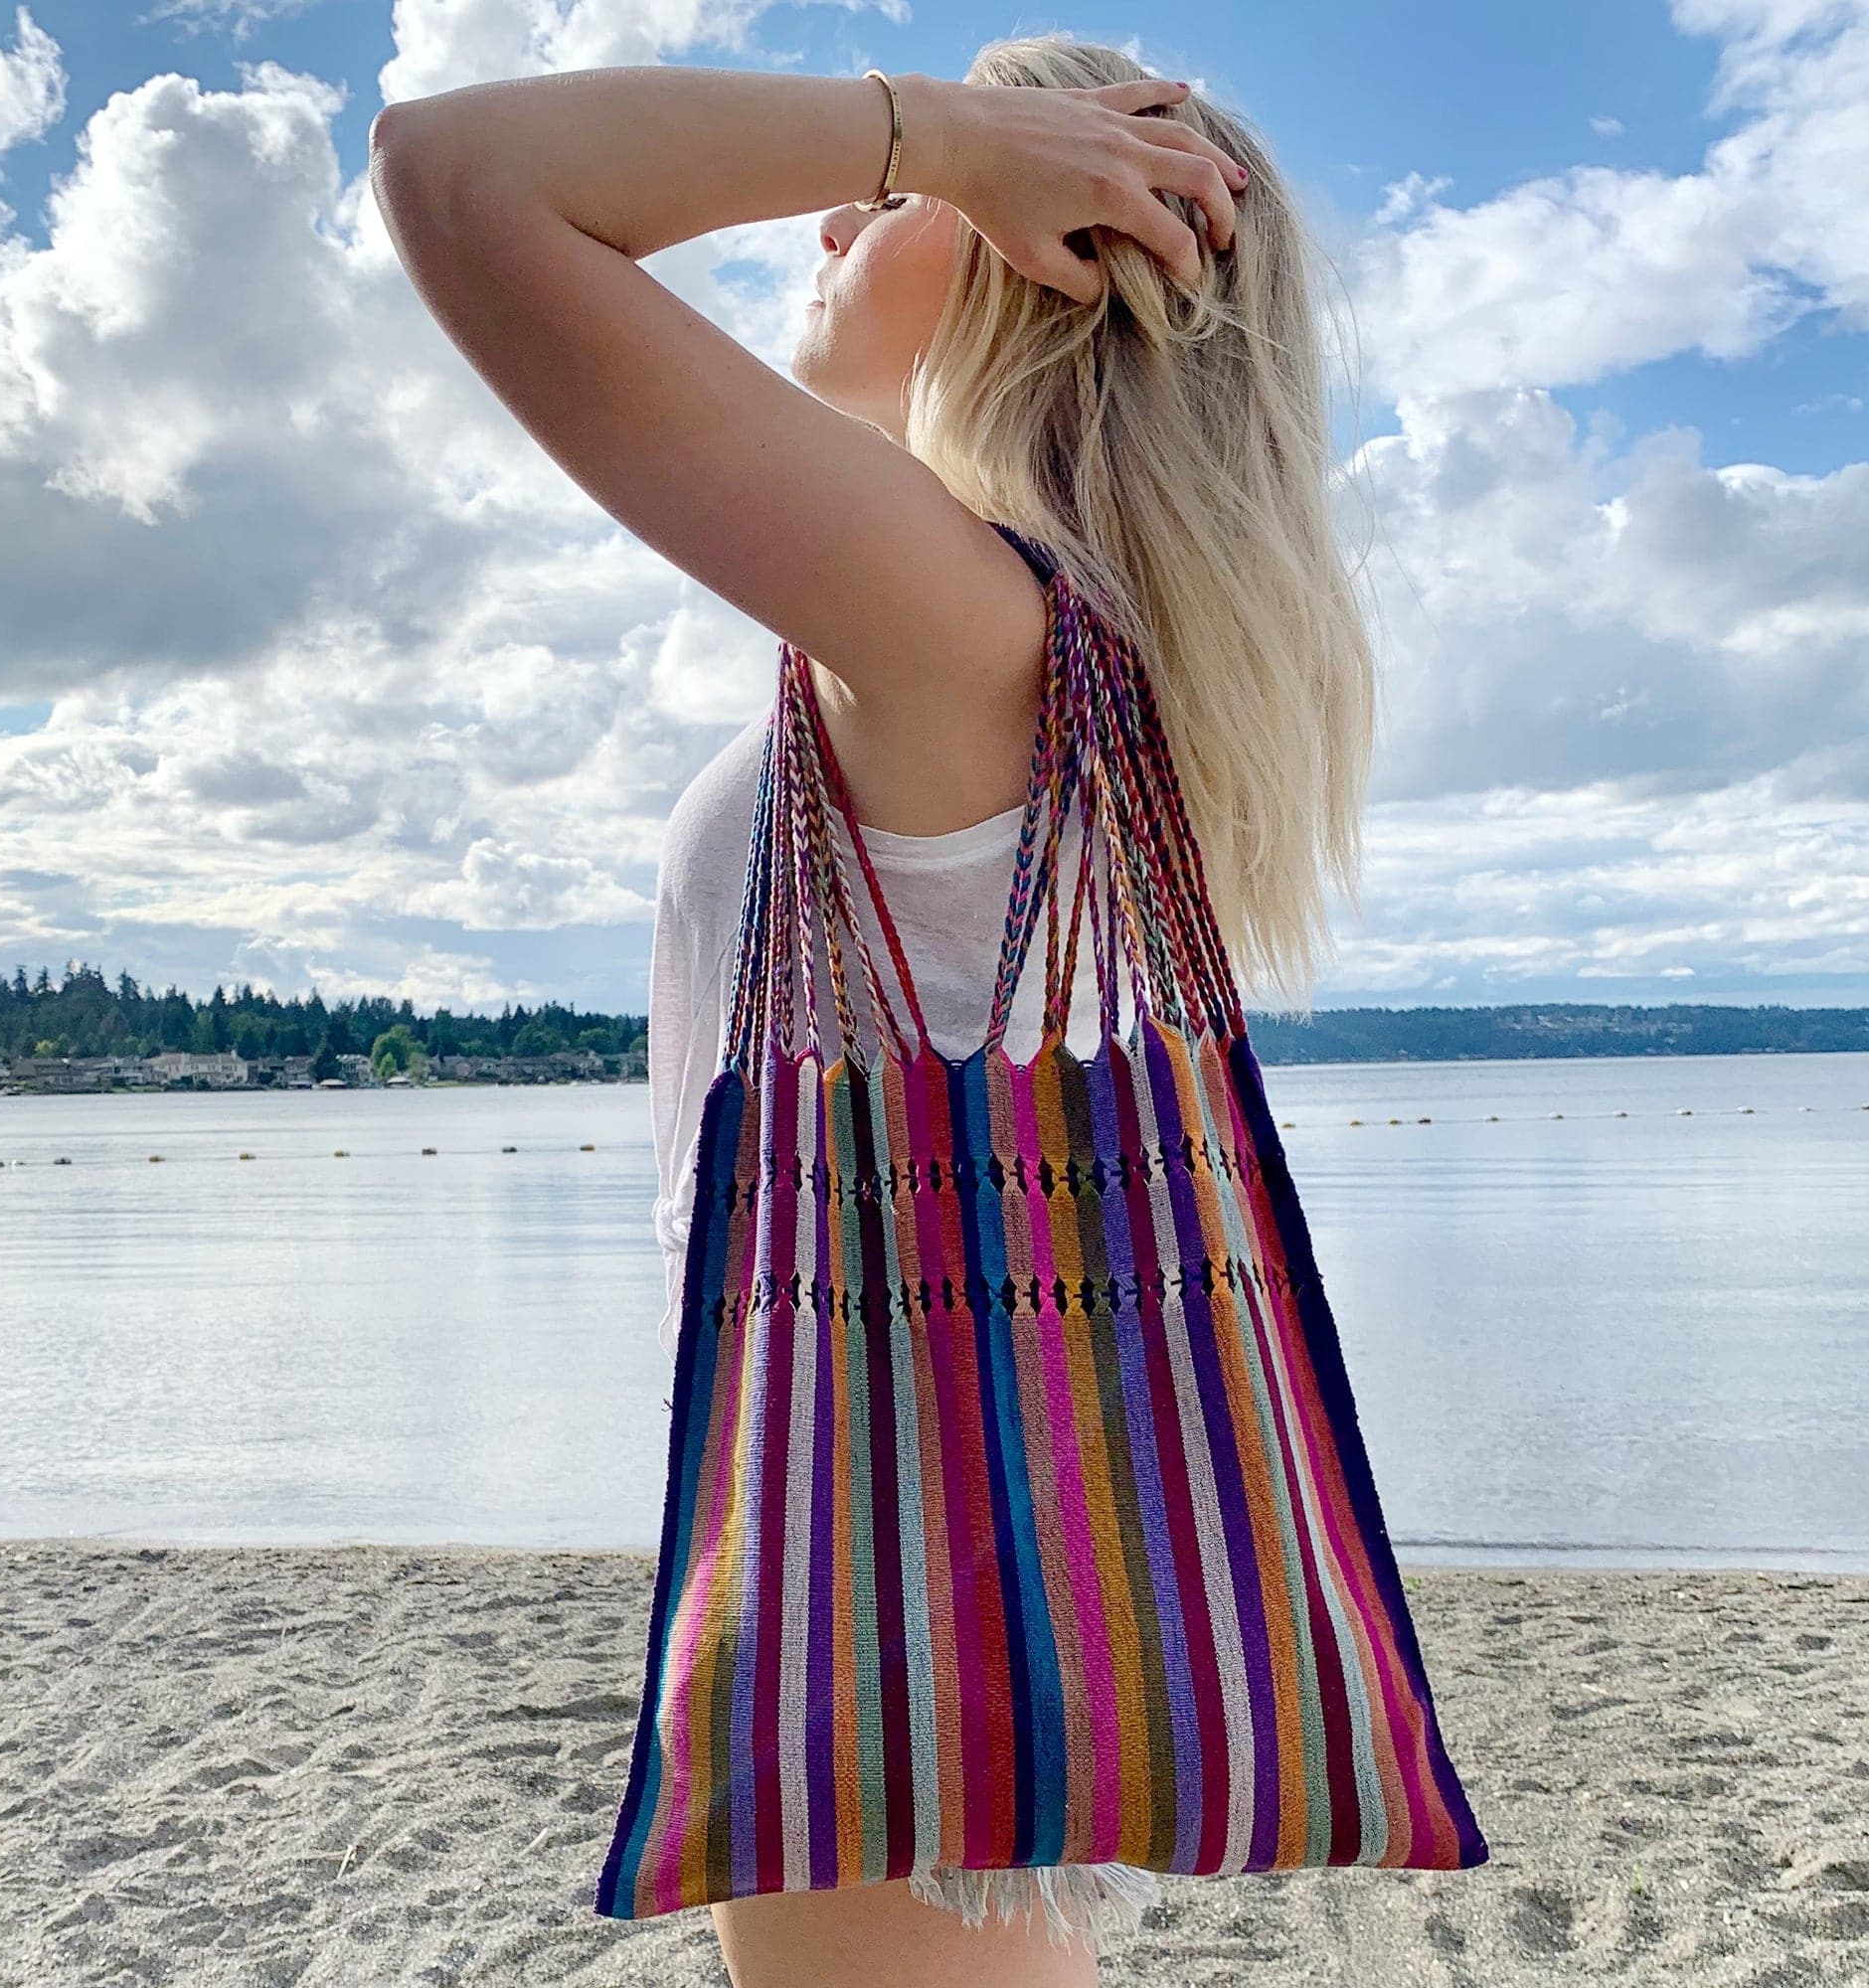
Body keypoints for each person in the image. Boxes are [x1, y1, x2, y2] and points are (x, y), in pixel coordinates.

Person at [371, 34, 1375, 1987]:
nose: (832, 213)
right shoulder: (1002, 649)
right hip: (927, 1526)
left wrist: (936, 135)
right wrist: (952, 155)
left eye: (917, 192)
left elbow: (459, 177)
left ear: (1058, 245)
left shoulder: (977, 636)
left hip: (892, 1562)